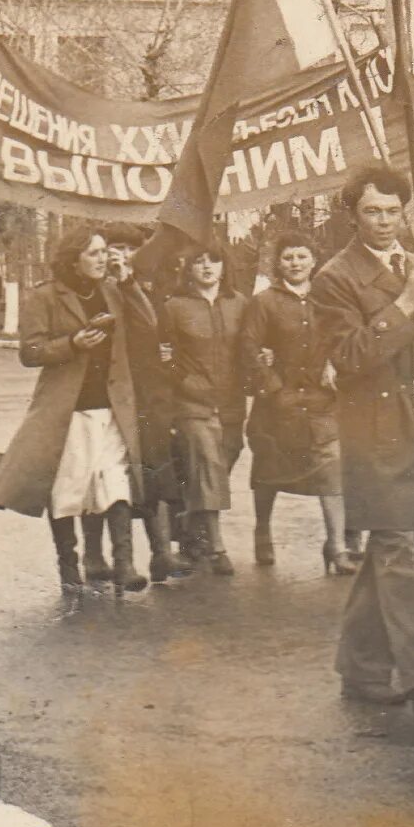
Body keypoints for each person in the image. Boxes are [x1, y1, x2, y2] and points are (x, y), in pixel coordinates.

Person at [312, 166, 414, 726]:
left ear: (406, 213)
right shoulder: (335, 278)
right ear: (352, 214)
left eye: (392, 211)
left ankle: (361, 668)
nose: (383, 222)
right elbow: (350, 356)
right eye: (372, 211)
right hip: (375, 431)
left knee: (394, 551)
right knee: (398, 550)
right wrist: (403, 305)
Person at [0, 229, 147, 594]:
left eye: (105, 252)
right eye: (93, 253)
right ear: (73, 259)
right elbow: (30, 352)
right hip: (69, 409)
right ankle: (69, 567)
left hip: (111, 405)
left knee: (116, 482)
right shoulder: (46, 296)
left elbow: (145, 324)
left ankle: (125, 564)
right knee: (69, 487)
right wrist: (72, 344)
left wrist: (129, 282)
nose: (103, 259)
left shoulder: (111, 291)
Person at [242, 231, 353, 575]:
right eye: (288, 257)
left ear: (314, 261)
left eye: (302, 257)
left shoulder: (327, 299)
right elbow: (249, 348)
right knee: (268, 470)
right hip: (278, 404)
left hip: (322, 402)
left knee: (332, 466)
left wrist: (336, 364)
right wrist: (273, 388)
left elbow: (344, 336)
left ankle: (335, 545)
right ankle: (262, 531)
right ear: (278, 263)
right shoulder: (264, 302)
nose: (295, 264)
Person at [101, 222, 190, 584]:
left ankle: (160, 554)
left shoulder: (141, 290)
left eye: (128, 249)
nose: (120, 256)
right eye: (114, 248)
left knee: (154, 471)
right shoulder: (99, 289)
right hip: (111, 395)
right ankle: (120, 560)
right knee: (114, 476)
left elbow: (155, 330)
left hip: (148, 397)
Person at [161, 240, 247, 575]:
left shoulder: (240, 303)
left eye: (214, 261)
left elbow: (252, 345)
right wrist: (185, 383)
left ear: (225, 267)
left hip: (231, 402)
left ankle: (188, 529)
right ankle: (217, 547)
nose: (207, 267)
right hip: (191, 403)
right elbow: (162, 357)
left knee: (224, 459)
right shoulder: (174, 307)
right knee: (209, 465)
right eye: (199, 262)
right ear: (189, 268)